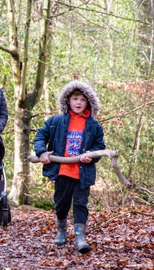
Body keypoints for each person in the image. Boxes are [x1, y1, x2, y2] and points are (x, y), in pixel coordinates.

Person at [33, 80, 105, 253]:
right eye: (75, 99)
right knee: (61, 203)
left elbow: (99, 147)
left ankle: (80, 236)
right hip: (62, 171)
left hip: (83, 172)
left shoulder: (94, 125)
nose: (78, 102)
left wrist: (91, 155)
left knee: (81, 204)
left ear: (88, 102)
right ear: (68, 101)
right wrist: (41, 152)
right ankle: (61, 230)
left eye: (82, 99)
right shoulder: (57, 121)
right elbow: (40, 135)